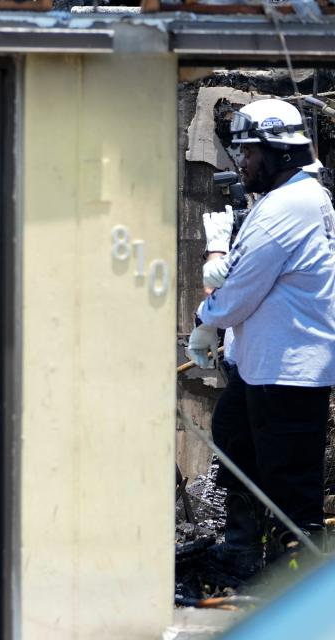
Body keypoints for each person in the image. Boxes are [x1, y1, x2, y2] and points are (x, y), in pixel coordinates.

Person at [186, 97, 335, 581]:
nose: (242, 163)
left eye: (250, 153)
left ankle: (297, 584)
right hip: (262, 367)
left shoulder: (287, 207)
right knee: (237, 449)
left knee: (290, 488)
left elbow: (237, 292)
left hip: (287, 371)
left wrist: (206, 319)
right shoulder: (292, 200)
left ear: (279, 153)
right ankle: (242, 558)